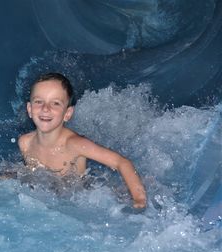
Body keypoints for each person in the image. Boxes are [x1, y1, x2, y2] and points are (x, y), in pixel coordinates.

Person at [18, 72, 147, 208]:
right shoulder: (25, 143)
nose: (45, 108)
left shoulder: (76, 144)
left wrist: (139, 199)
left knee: (119, 195)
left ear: (67, 114)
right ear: (30, 109)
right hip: (54, 198)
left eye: (55, 103)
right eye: (39, 102)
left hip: (81, 194)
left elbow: (121, 162)